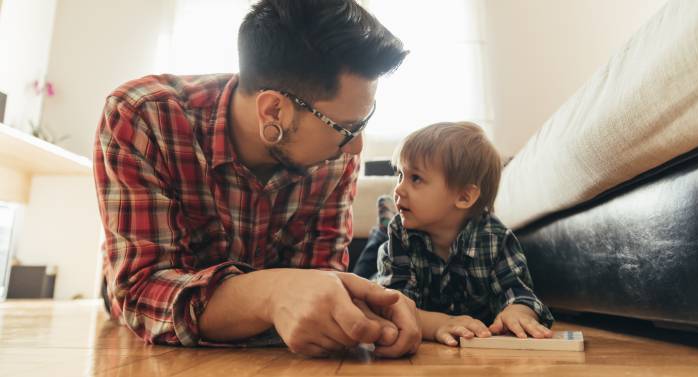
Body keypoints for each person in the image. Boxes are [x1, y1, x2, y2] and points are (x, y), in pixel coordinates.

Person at [93, 0, 422, 358]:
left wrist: (371, 308)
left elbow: (320, 279)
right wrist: (271, 293)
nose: (356, 147)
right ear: (273, 111)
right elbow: (141, 293)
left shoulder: (334, 157)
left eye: (363, 122)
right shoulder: (144, 117)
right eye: (347, 128)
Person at [370, 122, 555, 346]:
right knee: (363, 286)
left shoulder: (495, 238)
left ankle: (381, 223)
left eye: (416, 178)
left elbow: (517, 291)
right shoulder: (400, 237)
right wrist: (438, 324)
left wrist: (518, 312)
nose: (398, 188)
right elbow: (393, 308)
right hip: (384, 270)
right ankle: (380, 228)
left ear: (465, 197)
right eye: (400, 174)